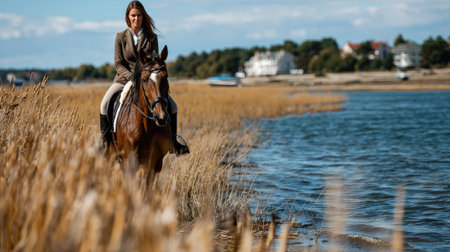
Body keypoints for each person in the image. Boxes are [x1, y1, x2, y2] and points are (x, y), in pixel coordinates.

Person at [99, 0, 189, 156]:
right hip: (124, 80)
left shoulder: (151, 37)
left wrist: (144, 77)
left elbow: (154, 61)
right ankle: (105, 143)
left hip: (148, 81)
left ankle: (173, 142)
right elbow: (118, 63)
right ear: (128, 17)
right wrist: (131, 77)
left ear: (143, 16)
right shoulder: (120, 37)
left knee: (172, 106)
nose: (136, 18)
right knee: (104, 104)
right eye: (133, 15)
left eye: (139, 15)